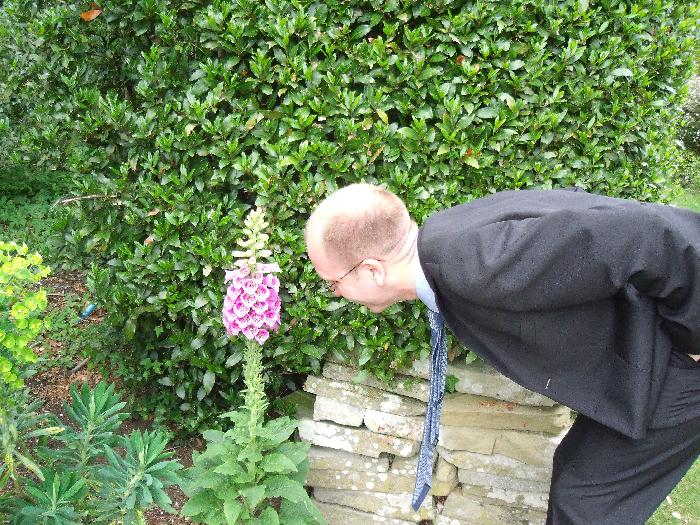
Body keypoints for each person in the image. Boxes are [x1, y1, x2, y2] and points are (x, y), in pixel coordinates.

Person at [304, 183, 700, 525]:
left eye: (334, 282)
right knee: (576, 481)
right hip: (641, 361)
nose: (335, 292)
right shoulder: (445, 242)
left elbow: (644, 234)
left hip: (675, 367)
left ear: (372, 270)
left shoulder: (475, 264)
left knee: (586, 506)